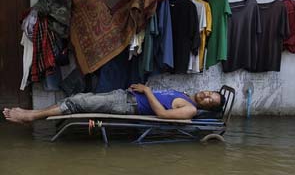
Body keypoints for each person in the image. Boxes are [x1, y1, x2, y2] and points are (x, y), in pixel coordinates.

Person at [3, 83, 225, 124]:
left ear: (208, 108)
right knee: (78, 99)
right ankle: (33, 116)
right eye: (210, 93)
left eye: (210, 100)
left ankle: (30, 116)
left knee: (77, 102)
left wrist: (147, 90)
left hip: (127, 106)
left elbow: (162, 115)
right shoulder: (186, 95)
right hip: (125, 96)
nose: (206, 95)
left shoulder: (191, 109)